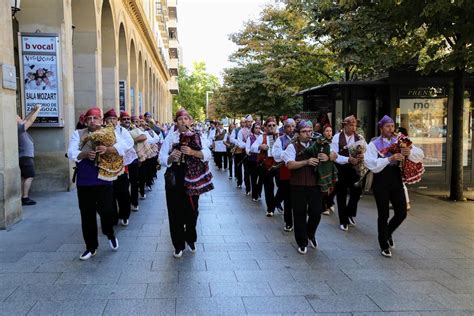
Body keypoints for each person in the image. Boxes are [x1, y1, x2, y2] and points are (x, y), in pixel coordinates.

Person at [67, 107, 126, 260]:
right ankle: (91, 247)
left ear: (101, 120)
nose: (92, 121)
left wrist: (109, 148)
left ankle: (110, 233)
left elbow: (125, 145)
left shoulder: (110, 132)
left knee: (107, 211)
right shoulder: (78, 134)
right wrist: (84, 154)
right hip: (85, 179)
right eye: (89, 119)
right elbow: (71, 152)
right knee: (87, 215)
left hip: (104, 178)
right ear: (85, 121)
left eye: (95, 118)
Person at [365, 115, 424, 257]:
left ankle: (388, 232)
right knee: (383, 214)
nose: (391, 129)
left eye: (392, 126)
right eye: (388, 126)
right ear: (381, 128)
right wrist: (389, 159)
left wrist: (408, 152)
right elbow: (370, 163)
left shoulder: (400, 140)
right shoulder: (374, 144)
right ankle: (383, 244)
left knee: (402, 212)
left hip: (396, 180)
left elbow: (419, 154)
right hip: (381, 181)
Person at [159, 108, 213, 258]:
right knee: (174, 211)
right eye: (180, 119)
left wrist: (192, 152)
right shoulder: (171, 137)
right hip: (175, 177)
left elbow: (208, 153)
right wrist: (170, 158)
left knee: (192, 210)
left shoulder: (198, 135)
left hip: (193, 177)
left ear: (190, 121)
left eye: (186, 119)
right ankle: (178, 244)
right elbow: (161, 157)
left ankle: (190, 237)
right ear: (176, 122)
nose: (183, 121)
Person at [282, 120, 336, 254]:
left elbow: (335, 154)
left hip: (315, 185)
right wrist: (306, 162)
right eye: (304, 132)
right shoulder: (292, 147)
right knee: (299, 214)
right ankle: (302, 242)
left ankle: (310, 233)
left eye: (309, 131)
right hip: (297, 185)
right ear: (298, 133)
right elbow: (289, 164)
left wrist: (328, 156)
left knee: (316, 212)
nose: (307, 134)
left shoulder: (319, 143)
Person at [331, 115, 365, 231]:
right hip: (341, 168)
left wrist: (362, 155)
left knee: (357, 191)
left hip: (355, 169)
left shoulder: (359, 137)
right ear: (345, 125)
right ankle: (343, 220)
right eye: (351, 125)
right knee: (341, 194)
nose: (353, 127)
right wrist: (347, 159)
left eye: (355, 125)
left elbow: (365, 150)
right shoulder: (336, 137)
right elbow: (334, 155)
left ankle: (349, 212)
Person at [104, 108, 135, 226]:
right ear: (105, 120)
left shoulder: (122, 131)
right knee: (109, 194)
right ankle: (112, 217)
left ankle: (124, 215)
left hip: (121, 166)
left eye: (113, 119)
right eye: (109, 119)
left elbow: (129, 143)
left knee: (123, 193)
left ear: (117, 120)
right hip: (106, 168)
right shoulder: (102, 131)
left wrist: (114, 148)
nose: (111, 121)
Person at [252, 117, 279, 217]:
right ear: (265, 127)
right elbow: (252, 147)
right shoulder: (262, 137)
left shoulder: (280, 136)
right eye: (269, 126)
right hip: (266, 165)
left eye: (273, 125)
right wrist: (260, 146)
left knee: (282, 187)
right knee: (269, 187)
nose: (271, 127)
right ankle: (270, 208)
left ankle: (276, 202)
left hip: (279, 165)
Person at [272, 118, 295, 230]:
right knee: (287, 198)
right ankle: (288, 221)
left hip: (298, 172)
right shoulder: (280, 139)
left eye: (293, 126)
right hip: (286, 172)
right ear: (284, 128)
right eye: (288, 126)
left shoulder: (300, 138)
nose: (291, 128)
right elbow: (276, 154)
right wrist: (288, 153)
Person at [120, 111, 145, 212]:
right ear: (120, 120)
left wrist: (130, 140)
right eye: (124, 119)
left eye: (128, 119)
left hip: (133, 159)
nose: (126, 121)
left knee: (134, 182)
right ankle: (125, 204)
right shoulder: (118, 131)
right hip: (121, 161)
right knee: (124, 184)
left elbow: (144, 137)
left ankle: (134, 202)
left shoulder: (134, 129)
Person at [17, 104, 42, 206]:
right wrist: (38, 111)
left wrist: (32, 111)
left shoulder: (19, 127)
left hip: (23, 156)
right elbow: (30, 121)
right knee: (30, 176)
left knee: (24, 177)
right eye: (17, 117)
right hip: (26, 156)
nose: (19, 118)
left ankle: (23, 196)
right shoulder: (19, 129)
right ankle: (25, 197)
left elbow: (26, 119)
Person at [246, 122, 263, 202]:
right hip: (252, 160)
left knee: (261, 178)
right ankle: (254, 195)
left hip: (261, 160)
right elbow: (247, 148)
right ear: (253, 129)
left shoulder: (262, 137)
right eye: (256, 128)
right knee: (253, 178)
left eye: (259, 128)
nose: (258, 129)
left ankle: (258, 191)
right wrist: (249, 151)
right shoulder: (250, 138)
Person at [237, 115, 253, 193]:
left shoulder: (254, 130)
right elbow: (240, 143)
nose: (250, 123)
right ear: (245, 122)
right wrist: (248, 145)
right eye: (248, 122)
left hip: (254, 154)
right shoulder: (241, 131)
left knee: (253, 172)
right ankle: (248, 188)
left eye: (251, 121)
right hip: (244, 154)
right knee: (246, 171)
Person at [397, 126, 411, 211]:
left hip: (403, 164)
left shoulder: (403, 140)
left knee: (402, 184)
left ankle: (406, 203)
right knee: (401, 184)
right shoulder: (404, 140)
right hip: (402, 164)